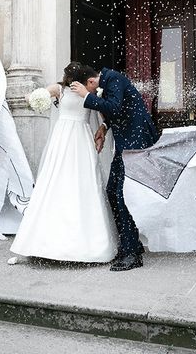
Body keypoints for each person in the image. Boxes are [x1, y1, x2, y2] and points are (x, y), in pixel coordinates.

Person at [10, 62, 117, 263]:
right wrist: (31, 98)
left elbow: (105, 114)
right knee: (56, 181)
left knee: (82, 183)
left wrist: (102, 126)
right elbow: (36, 96)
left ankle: (83, 245)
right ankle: (44, 244)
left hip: (81, 138)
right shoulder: (60, 89)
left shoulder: (92, 91)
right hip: (62, 138)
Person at [71, 64, 159, 271]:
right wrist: (104, 126)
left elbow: (114, 107)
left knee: (122, 195)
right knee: (113, 191)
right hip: (125, 143)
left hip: (136, 142)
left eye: (88, 88)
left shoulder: (113, 78)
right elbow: (116, 109)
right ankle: (131, 245)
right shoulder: (108, 81)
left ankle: (131, 254)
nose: (90, 93)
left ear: (91, 82)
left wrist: (86, 96)